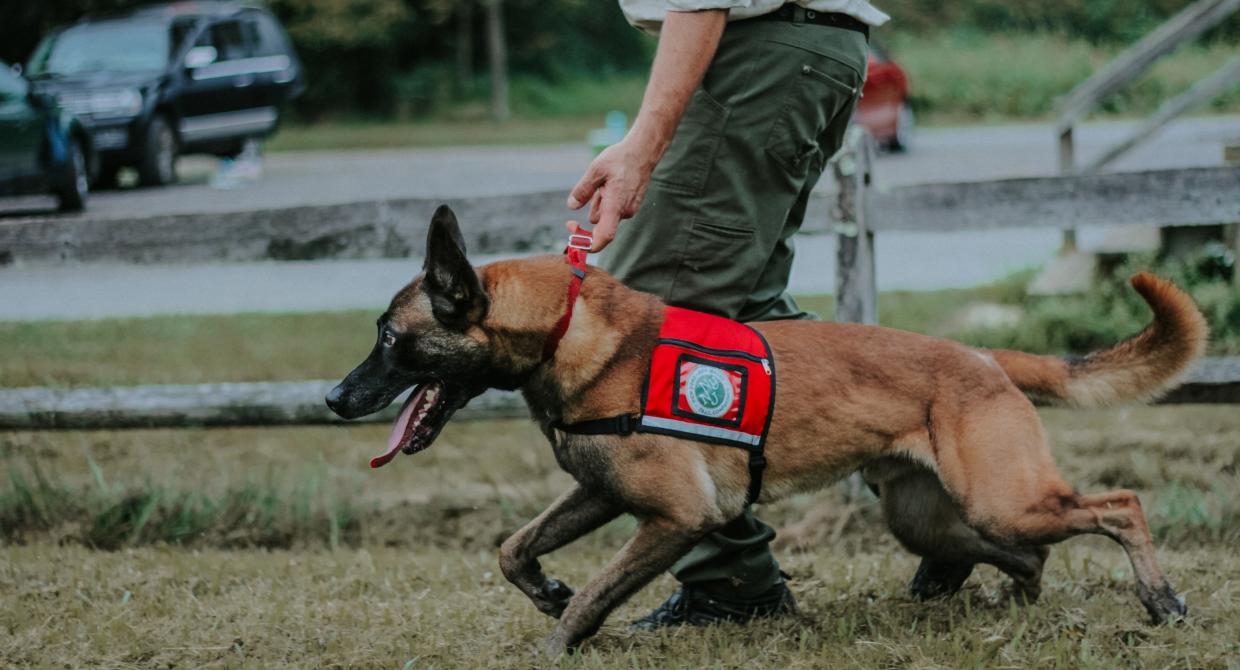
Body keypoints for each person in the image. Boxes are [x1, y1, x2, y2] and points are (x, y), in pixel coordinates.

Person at [566, 0, 888, 629]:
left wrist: (642, 144)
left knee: (638, 328)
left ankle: (731, 583)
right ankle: (964, 473)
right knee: (748, 318)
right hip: (801, 51)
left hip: (758, 54)